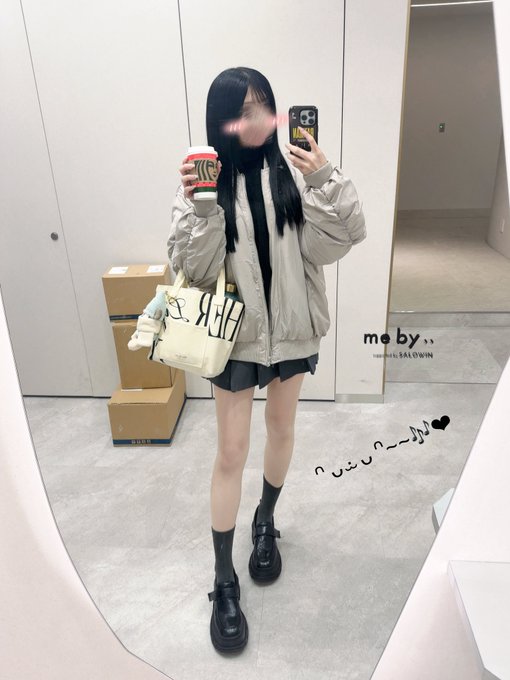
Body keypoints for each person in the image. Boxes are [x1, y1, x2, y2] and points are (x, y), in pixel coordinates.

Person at [167, 67, 366, 654]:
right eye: (241, 110)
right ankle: (223, 580)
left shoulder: (295, 180)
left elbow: (343, 238)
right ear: (221, 121)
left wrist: (324, 176)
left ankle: (265, 521)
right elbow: (194, 269)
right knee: (231, 451)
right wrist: (202, 209)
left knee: (281, 429)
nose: (254, 120)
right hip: (236, 339)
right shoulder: (203, 188)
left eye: (263, 107)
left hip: (293, 333)